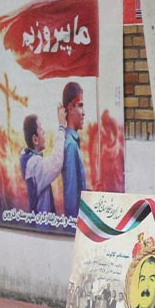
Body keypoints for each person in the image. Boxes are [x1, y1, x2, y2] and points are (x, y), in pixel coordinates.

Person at [19, 105, 66, 215]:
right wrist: (61, 127)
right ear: (35, 139)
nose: (43, 131)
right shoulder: (34, 165)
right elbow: (56, 162)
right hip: (42, 222)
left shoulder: (30, 161)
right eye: (40, 128)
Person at [61, 81, 88, 218]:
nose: (84, 113)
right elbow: (71, 198)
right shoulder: (71, 145)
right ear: (70, 108)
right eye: (80, 106)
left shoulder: (73, 142)